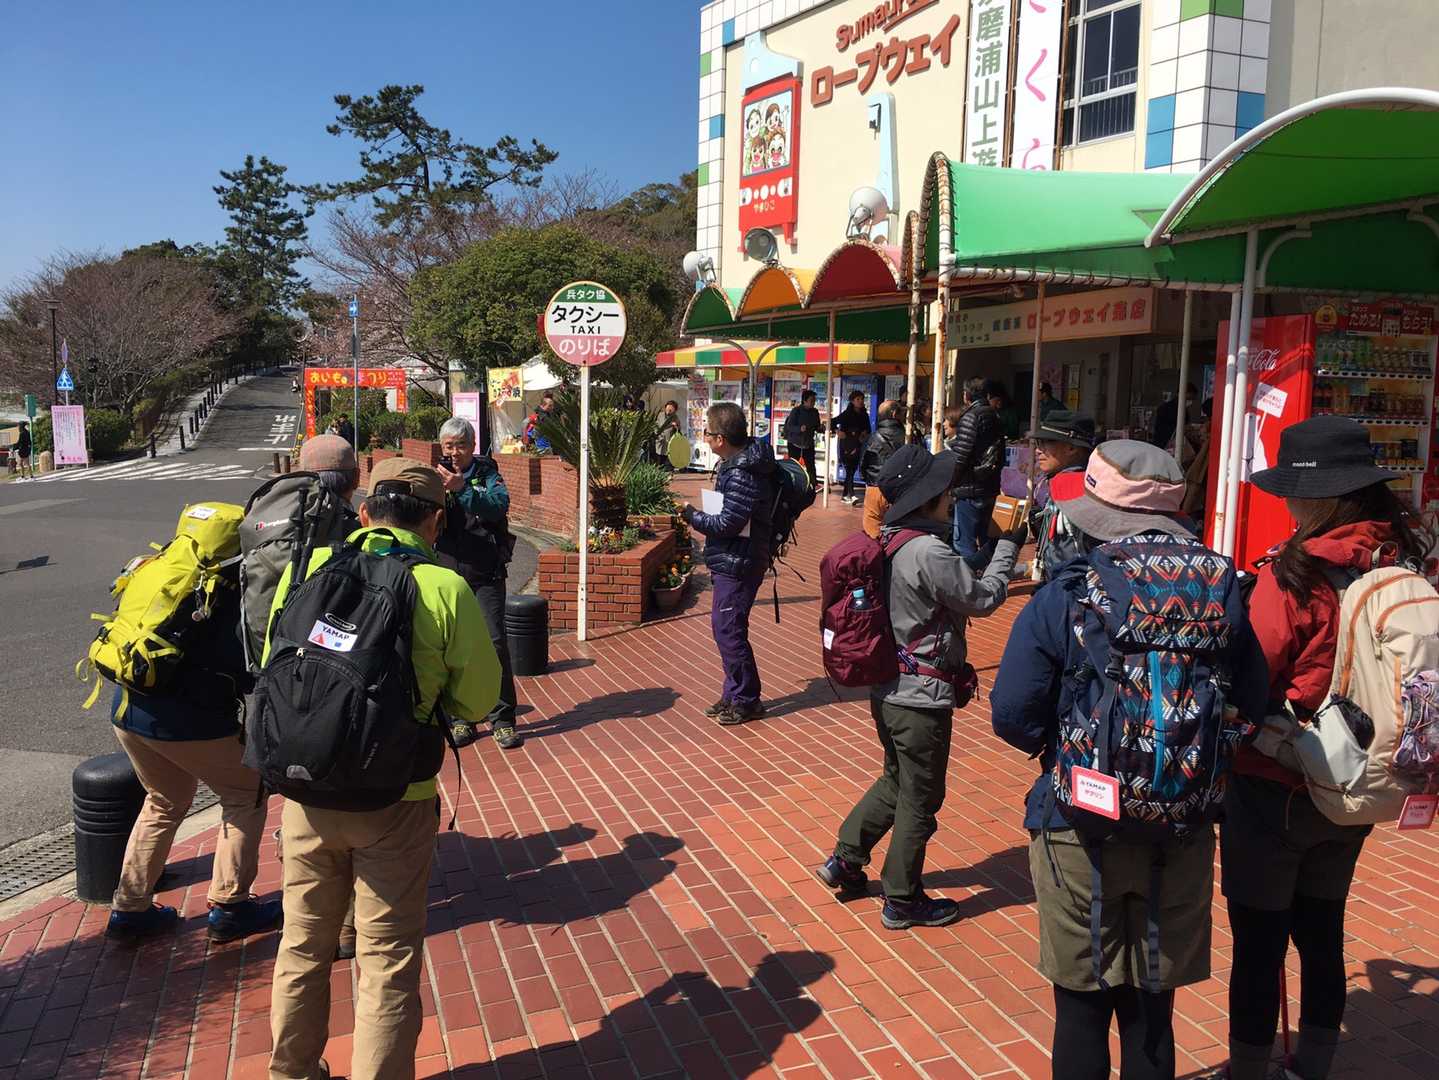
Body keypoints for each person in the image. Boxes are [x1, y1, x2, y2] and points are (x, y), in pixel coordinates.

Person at [989, 440, 1269, 1080]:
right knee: (1151, 1008)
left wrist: (1070, 745)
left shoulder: (1067, 592)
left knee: (1081, 1008)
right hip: (1184, 821)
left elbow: (1012, 714)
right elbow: (1254, 703)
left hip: (1077, 823)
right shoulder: (1224, 589)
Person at [267, 457, 499, 1080]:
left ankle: (291, 1072)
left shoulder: (310, 567)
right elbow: (478, 700)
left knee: (303, 945)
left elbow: (272, 662)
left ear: (365, 513)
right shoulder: (444, 586)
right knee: (387, 958)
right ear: (435, 522)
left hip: (308, 786)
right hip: (398, 793)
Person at [1221, 416, 1431, 1080]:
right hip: (1360, 778)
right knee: (1322, 932)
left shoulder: (1293, 572)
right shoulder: (1398, 558)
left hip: (1275, 780)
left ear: (1315, 497)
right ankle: (1312, 1064)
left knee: (1259, 945)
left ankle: (1248, 1069)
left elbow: (1251, 676)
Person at [817, 444, 1023, 929]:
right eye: (943, 491)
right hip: (920, 698)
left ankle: (846, 858)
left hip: (887, 688)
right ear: (926, 498)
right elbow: (982, 599)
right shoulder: (928, 550)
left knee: (896, 778)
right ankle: (902, 897)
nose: (950, 497)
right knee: (921, 798)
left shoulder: (890, 540)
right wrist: (1007, 544)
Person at [105, 528, 281, 944]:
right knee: (246, 793)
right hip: (184, 723)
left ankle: (129, 910)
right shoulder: (226, 599)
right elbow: (247, 671)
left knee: (164, 800)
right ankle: (231, 906)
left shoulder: (164, 574)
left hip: (127, 709)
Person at [680, 402, 775, 727]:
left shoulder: (741, 472)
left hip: (740, 561)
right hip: (734, 557)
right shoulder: (735, 464)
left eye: (707, 433)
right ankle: (734, 693)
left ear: (720, 438)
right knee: (727, 630)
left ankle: (747, 700)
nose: (704, 438)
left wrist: (691, 515)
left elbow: (727, 523)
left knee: (728, 630)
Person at [435, 417, 520, 750]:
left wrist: (463, 489)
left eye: (461, 445)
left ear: (472, 446)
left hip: (485, 575)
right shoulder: (434, 477)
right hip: (447, 576)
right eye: (449, 446)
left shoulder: (487, 475)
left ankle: (503, 719)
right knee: (454, 648)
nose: (455, 452)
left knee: (495, 643)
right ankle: (461, 719)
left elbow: (498, 507)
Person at [1026, 410, 1096, 582]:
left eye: (1046, 442)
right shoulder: (1065, 481)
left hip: (1070, 586)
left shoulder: (1078, 490)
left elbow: (1072, 553)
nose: (1038, 450)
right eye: (1038, 443)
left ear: (1071, 448)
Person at [946, 379, 1005, 571]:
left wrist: (950, 483)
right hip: (989, 486)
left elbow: (961, 457)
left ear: (966, 395)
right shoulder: (995, 416)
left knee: (964, 542)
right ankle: (990, 575)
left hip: (969, 488)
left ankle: (969, 579)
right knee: (986, 538)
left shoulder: (971, 417)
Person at [860, 400, 906, 539]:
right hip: (900, 489)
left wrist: (869, 481)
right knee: (899, 532)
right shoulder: (908, 436)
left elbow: (862, 465)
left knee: (872, 532)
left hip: (875, 488)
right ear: (894, 414)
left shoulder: (872, 438)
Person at [832, 390, 872, 505]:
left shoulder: (864, 414)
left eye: (862, 399)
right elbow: (833, 421)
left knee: (852, 469)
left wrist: (864, 433)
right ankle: (852, 494)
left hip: (858, 444)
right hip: (846, 444)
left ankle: (845, 495)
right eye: (858, 399)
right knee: (849, 469)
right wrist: (837, 431)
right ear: (852, 401)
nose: (860, 401)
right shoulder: (847, 414)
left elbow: (868, 429)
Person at [782, 389, 822, 487]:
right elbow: (789, 426)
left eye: (814, 400)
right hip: (794, 443)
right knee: (794, 467)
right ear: (804, 401)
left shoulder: (815, 412)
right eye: (811, 400)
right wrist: (799, 428)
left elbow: (817, 426)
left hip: (808, 443)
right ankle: (793, 485)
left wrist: (821, 428)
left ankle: (812, 485)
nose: (813, 403)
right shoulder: (796, 411)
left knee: (811, 466)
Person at [1151, 383, 1196, 452]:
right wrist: (1182, 429)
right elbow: (1162, 429)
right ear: (1180, 394)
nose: (1190, 401)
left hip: (1176, 445)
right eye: (1189, 398)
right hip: (1163, 445)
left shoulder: (1184, 410)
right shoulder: (1165, 408)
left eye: (1192, 399)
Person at [655, 399, 682, 467]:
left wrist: (676, 426)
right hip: (660, 442)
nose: (668, 411)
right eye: (667, 409)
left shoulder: (675, 417)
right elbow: (658, 425)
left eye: (671, 410)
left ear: (675, 410)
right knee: (659, 462)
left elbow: (678, 430)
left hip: (669, 444)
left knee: (668, 463)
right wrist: (656, 435)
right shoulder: (660, 415)